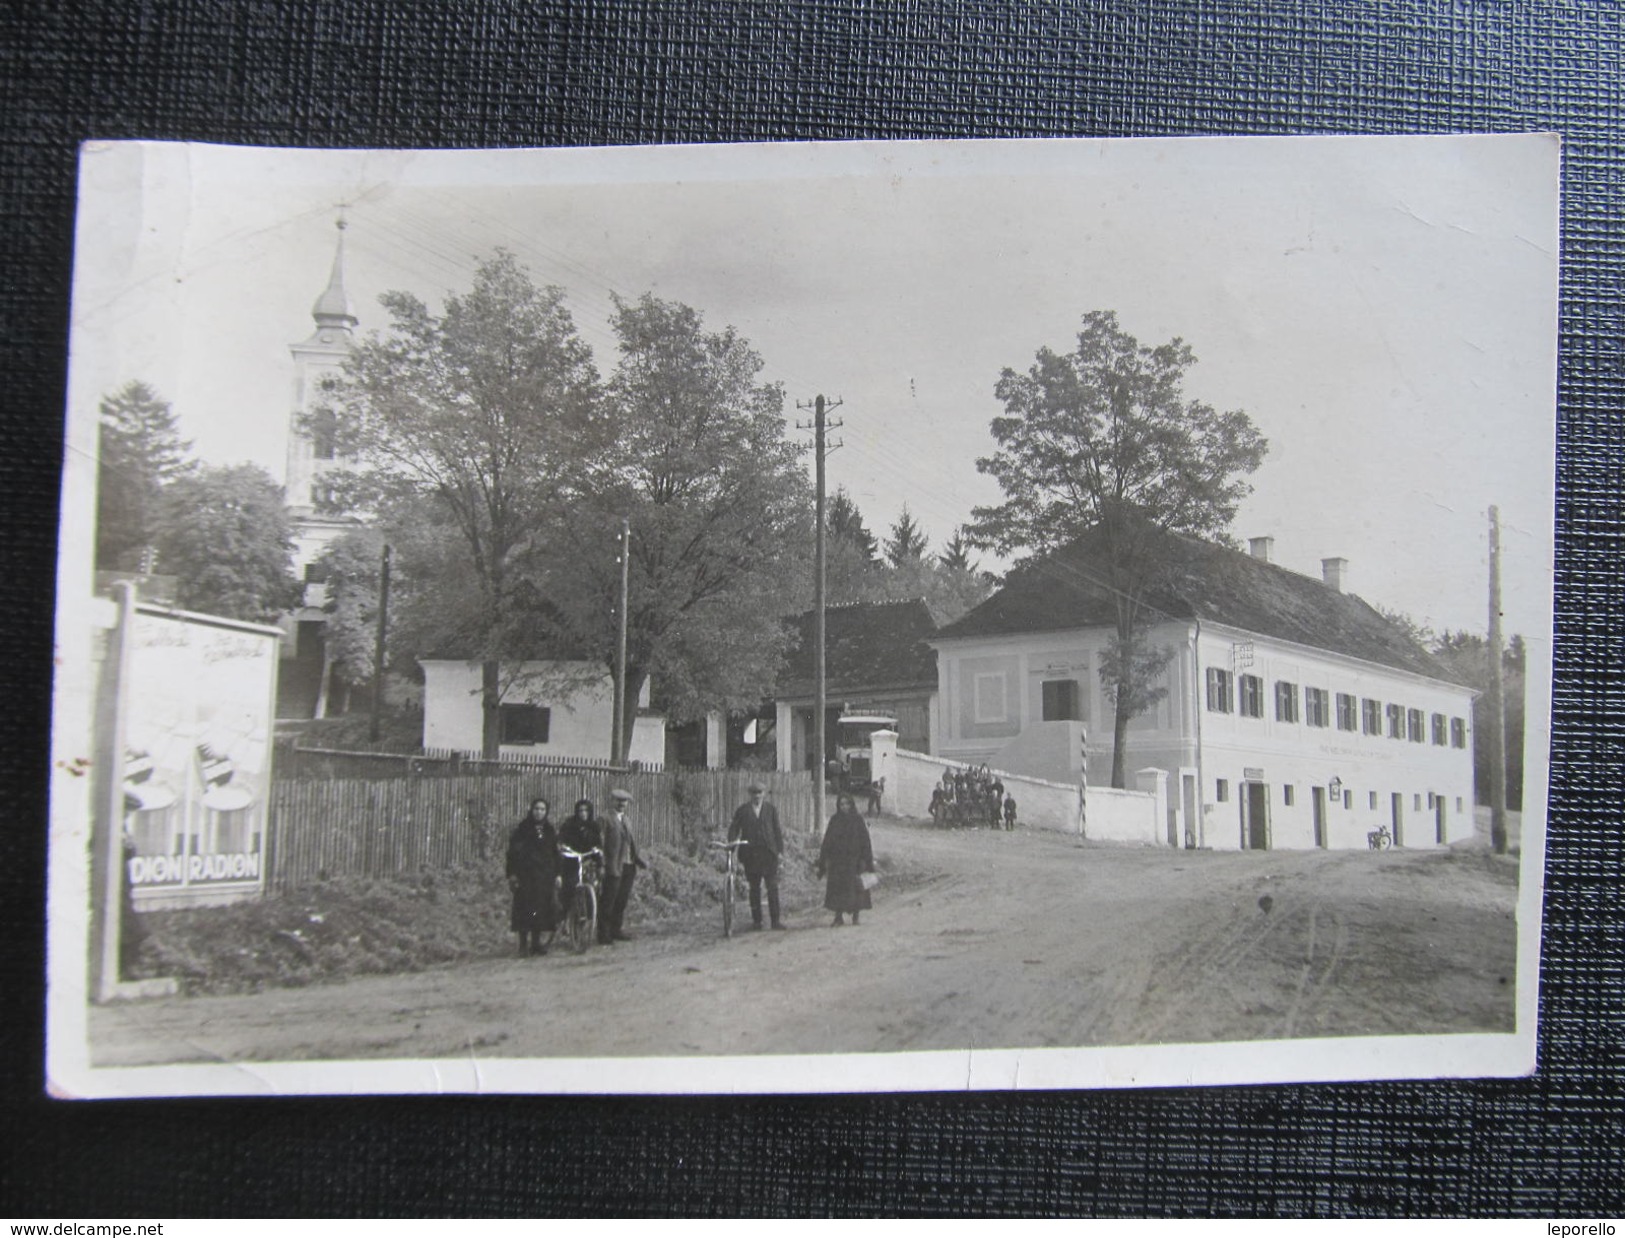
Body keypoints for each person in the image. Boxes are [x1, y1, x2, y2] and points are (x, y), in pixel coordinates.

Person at [729, 779, 786, 930]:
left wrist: (780, 851)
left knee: (772, 887)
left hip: (769, 854)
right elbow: (734, 828)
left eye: (760, 793)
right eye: (754, 793)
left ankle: (775, 921)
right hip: (751, 855)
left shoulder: (770, 809)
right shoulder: (742, 810)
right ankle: (757, 921)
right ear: (750, 794)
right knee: (754, 888)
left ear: (764, 794)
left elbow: (777, 831)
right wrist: (732, 844)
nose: (757, 796)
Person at [505, 798, 559, 956]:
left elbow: (555, 854)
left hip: (544, 877)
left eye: (542, 809)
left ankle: (536, 943)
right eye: (536, 809)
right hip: (526, 876)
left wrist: (558, 874)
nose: (539, 812)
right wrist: (512, 874)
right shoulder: (522, 829)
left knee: (540, 910)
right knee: (524, 909)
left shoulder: (549, 830)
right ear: (531, 810)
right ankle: (523, 945)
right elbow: (512, 854)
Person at [817, 792, 875, 927]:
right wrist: (823, 861)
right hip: (838, 862)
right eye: (841, 804)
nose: (844, 807)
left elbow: (865, 841)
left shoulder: (858, 820)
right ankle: (838, 917)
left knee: (856, 889)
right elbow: (827, 841)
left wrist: (867, 862)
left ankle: (856, 916)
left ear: (851, 804)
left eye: (847, 804)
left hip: (854, 862)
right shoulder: (835, 820)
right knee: (838, 889)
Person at [598, 788, 647, 944]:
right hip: (613, 865)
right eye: (618, 801)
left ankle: (616, 930)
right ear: (612, 801)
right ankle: (603, 934)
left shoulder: (627, 820)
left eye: (624, 801)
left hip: (628, 864)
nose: (621, 804)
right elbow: (600, 843)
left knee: (621, 900)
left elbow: (632, 842)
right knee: (608, 900)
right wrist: (602, 864)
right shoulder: (604, 819)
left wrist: (638, 859)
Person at [558, 798, 602, 922]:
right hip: (571, 860)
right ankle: (565, 914)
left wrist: (597, 852)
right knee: (570, 886)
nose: (583, 813)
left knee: (594, 887)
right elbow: (561, 839)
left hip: (588, 860)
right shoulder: (569, 824)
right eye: (580, 810)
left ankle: (589, 915)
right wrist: (563, 846)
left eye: (586, 811)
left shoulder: (594, 827)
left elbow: (598, 844)